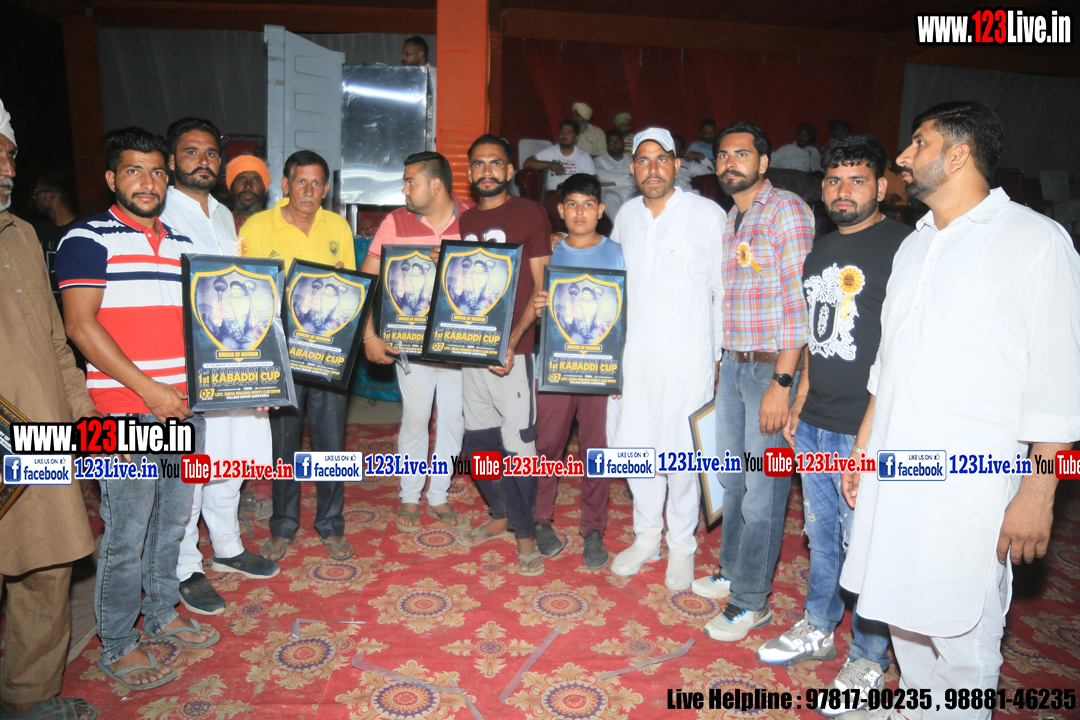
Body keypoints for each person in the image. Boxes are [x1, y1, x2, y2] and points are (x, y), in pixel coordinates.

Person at [839, 101, 1080, 720]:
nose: (901, 157)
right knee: (901, 610)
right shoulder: (916, 244)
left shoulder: (1035, 240)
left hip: (970, 485)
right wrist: (863, 446)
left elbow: (1059, 384)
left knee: (963, 635)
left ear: (958, 155)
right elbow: (888, 362)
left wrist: (1038, 494)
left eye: (918, 143)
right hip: (895, 468)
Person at [56, 126, 217, 692]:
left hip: (185, 406)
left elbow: (203, 323)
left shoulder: (183, 244)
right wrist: (150, 391)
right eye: (132, 171)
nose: (147, 182)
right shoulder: (86, 238)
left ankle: (163, 611)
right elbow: (80, 326)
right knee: (127, 531)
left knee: (173, 521)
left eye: (156, 172)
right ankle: (118, 641)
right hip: (123, 411)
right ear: (111, 178)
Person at [754, 134, 907, 715]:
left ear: (881, 187)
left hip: (864, 427)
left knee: (864, 544)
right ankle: (818, 624)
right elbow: (815, 335)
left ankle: (869, 655)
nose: (844, 191)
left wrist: (868, 436)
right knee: (821, 537)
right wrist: (799, 399)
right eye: (834, 181)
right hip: (816, 420)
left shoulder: (903, 248)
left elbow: (900, 352)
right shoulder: (819, 250)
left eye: (857, 180)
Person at [0, 96, 98, 720]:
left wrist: (87, 420)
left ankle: (29, 696)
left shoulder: (24, 235)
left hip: (39, 434)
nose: (9, 168)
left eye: (11, 155)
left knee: (48, 563)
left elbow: (58, 343)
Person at [696, 121, 813, 641]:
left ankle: (751, 602)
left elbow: (799, 303)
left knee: (764, 492)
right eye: (723, 155)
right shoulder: (731, 217)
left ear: (763, 162)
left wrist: (783, 382)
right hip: (735, 364)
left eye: (741, 154)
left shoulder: (785, 209)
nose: (730, 163)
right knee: (732, 480)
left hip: (771, 368)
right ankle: (731, 572)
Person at [160, 117, 279, 616]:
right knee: (193, 466)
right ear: (171, 161)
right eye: (191, 152)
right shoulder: (160, 211)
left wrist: (262, 364)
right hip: (188, 361)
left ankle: (227, 545)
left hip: (234, 357)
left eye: (211, 153)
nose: (203, 161)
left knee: (233, 457)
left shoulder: (227, 216)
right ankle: (186, 564)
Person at [608, 128, 725, 590]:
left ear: (678, 165)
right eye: (643, 160)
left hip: (688, 358)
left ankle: (681, 546)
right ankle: (645, 538)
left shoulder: (707, 214)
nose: (652, 168)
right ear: (632, 168)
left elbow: (722, 291)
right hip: (634, 357)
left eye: (662, 159)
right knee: (636, 448)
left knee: (681, 454)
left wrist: (716, 357)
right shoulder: (626, 216)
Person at [240, 150, 356, 562]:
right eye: (301, 181)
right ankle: (284, 524)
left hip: (327, 354)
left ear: (326, 189)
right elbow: (245, 292)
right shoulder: (256, 228)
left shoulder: (338, 227)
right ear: (285, 185)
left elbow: (350, 293)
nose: (309, 190)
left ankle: (331, 524)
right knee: (283, 444)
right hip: (280, 355)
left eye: (317, 183)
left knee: (330, 443)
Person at [360, 151, 473, 533]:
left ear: (435, 185)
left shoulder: (473, 219)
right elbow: (367, 280)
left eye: (411, 182)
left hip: (459, 347)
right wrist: (369, 335)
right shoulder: (395, 221)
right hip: (411, 344)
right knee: (415, 418)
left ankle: (438, 495)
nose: (405, 190)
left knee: (454, 421)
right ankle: (410, 494)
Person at [455, 134, 552, 576]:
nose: (487, 171)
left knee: (518, 449)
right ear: (470, 172)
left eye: (496, 163)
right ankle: (501, 514)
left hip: (516, 352)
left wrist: (511, 343)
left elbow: (541, 290)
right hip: (471, 352)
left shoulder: (530, 213)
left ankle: (525, 535)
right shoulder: (467, 220)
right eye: (479, 164)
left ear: (510, 170)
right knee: (479, 444)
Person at [532, 174, 622, 569]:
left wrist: (620, 368)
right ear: (560, 210)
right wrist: (538, 307)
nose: (580, 212)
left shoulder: (617, 254)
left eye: (588, 204)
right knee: (547, 443)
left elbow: (626, 312)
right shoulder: (549, 253)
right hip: (556, 364)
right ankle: (539, 519)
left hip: (600, 368)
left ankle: (594, 528)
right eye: (572, 204)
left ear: (600, 210)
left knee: (595, 448)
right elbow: (537, 304)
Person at [523, 120, 597, 232]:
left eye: (569, 132)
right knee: (551, 202)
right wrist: (549, 164)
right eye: (562, 132)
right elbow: (527, 164)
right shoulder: (551, 152)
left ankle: (568, 233)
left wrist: (570, 187)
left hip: (576, 193)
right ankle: (562, 233)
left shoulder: (583, 156)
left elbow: (593, 180)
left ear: (576, 138)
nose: (564, 135)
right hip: (554, 193)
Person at [32, 168, 79, 272]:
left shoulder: (83, 231)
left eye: (37, 192)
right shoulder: (37, 231)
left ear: (52, 196)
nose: (34, 197)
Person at [401, 35, 436, 149]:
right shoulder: (403, 77)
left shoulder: (435, 76)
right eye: (403, 53)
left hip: (428, 140)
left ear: (420, 54)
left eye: (407, 53)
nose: (403, 57)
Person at [594, 129, 637, 221]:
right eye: (611, 142)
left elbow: (638, 178)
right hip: (611, 191)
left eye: (617, 141)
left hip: (631, 191)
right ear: (607, 145)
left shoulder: (632, 161)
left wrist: (613, 182)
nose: (614, 144)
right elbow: (602, 176)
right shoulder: (599, 160)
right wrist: (628, 176)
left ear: (623, 143)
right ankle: (621, 229)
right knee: (609, 198)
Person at [227, 154, 270, 234]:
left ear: (265, 190)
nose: (248, 186)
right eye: (241, 179)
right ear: (230, 188)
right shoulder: (221, 224)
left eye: (256, 181)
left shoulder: (275, 226)